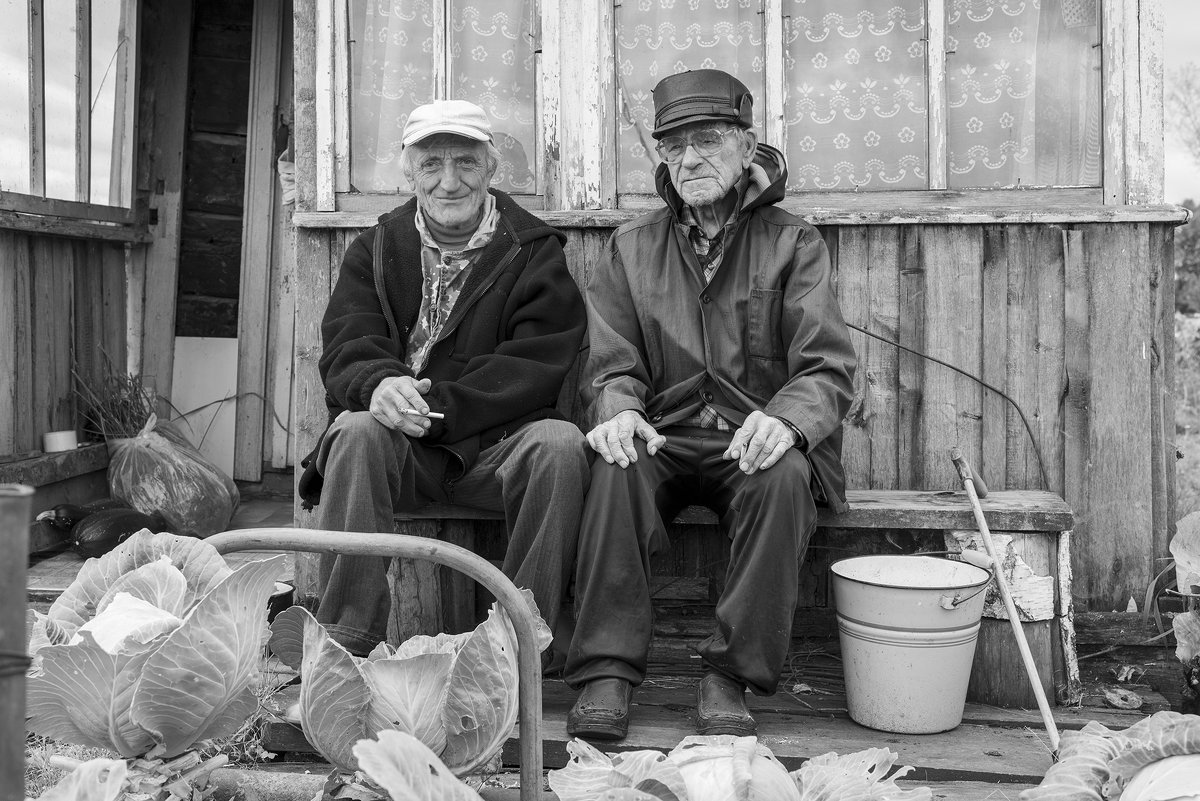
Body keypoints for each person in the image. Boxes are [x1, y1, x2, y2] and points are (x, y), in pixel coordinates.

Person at [563, 69, 857, 740]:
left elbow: (827, 365)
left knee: (783, 478)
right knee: (615, 463)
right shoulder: (631, 247)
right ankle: (606, 668)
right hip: (665, 435)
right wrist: (618, 408)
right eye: (673, 146)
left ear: (747, 147)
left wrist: (786, 420)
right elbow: (611, 361)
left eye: (708, 140)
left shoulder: (793, 243)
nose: (689, 158)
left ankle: (731, 673)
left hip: (749, 438)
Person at [297, 99, 589, 661]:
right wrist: (381, 385)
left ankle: (516, 650)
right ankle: (344, 648)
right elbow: (348, 343)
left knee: (560, 445)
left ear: (492, 169)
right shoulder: (377, 248)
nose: (449, 182)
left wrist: (435, 413)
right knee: (357, 431)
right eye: (431, 165)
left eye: (466, 164)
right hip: (398, 454)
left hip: (490, 453)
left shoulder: (532, 254)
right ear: (409, 172)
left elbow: (535, 364)